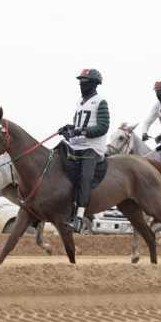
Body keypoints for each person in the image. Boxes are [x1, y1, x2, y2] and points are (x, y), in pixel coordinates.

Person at [58, 69, 110, 232]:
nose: (81, 84)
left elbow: (103, 127)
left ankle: (79, 218)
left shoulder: (100, 101)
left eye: (85, 81)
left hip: (92, 148)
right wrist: (69, 128)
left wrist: (81, 131)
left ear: (94, 84)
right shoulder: (79, 101)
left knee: (84, 178)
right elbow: (78, 125)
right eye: (80, 81)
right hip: (76, 145)